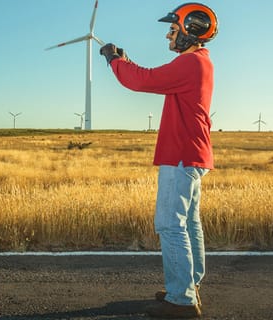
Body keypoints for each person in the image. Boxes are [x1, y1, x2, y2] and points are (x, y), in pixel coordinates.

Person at [99, 2, 217, 318]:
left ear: (191, 30)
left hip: (180, 154)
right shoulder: (200, 62)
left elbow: (144, 80)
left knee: (169, 223)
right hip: (193, 154)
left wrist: (114, 60)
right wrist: (125, 59)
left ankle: (182, 301)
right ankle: (188, 286)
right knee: (189, 223)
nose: (168, 34)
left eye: (173, 29)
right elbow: (152, 77)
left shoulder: (191, 63)